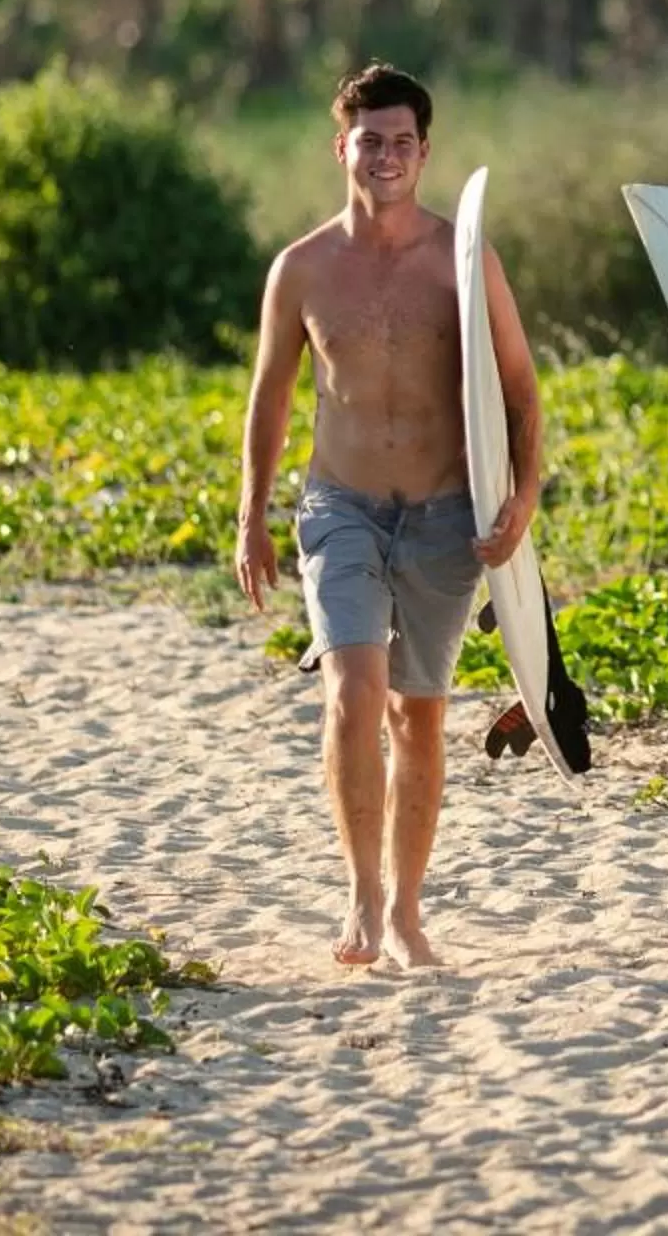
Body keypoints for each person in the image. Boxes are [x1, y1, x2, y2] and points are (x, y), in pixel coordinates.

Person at [234, 61, 541, 969]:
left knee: (417, 715)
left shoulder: (464, 259)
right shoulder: (301, 269)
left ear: (424, 151)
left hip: (448, 514)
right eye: (370, 141)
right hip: (342, 508)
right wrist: (252, 514)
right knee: (352, 691)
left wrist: (521, 496)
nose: (387, 157)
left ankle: (408, 911)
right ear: (342, 148)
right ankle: (365, 897)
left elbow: (521, 393)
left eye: (403, 142)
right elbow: (270, 400)